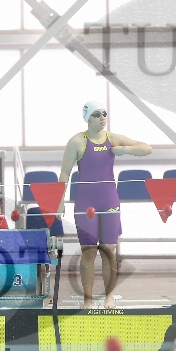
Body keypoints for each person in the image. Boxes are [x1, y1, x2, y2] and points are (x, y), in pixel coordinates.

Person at [58, 101, 152, 309]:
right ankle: (88, 300)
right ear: (87, 118)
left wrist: (124, 150)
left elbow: (147, 148)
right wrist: (59, 201)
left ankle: (109, 297)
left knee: (109, 251)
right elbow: (64, 173)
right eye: (97, 114)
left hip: (109, 200)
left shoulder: (112, 139)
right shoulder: (77, 141)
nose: (102, 117)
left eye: (104, 113)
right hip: (85, 202)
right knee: (88, 252)